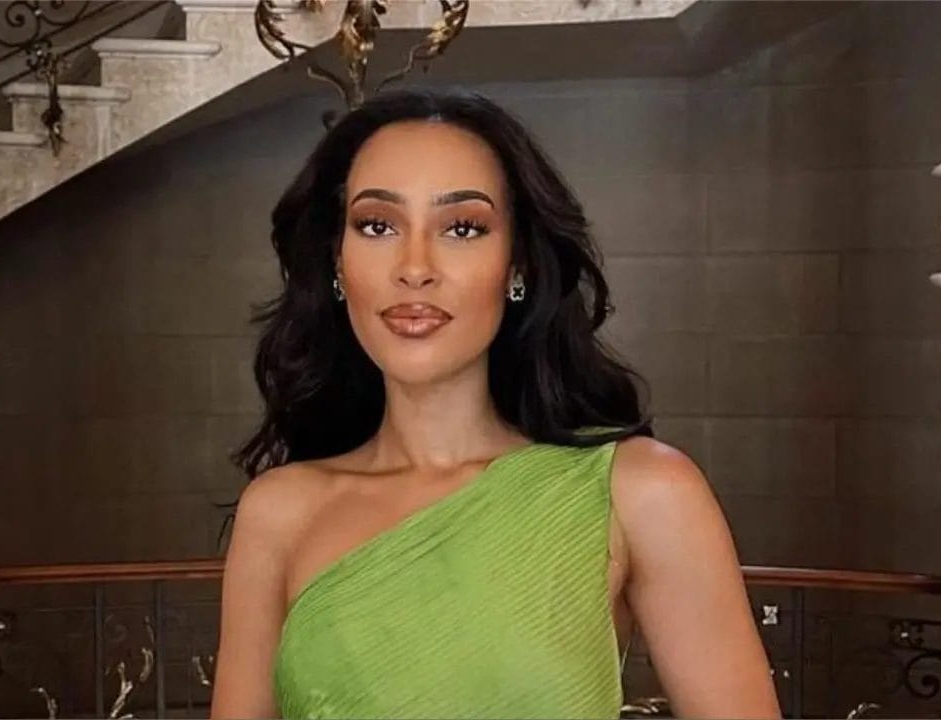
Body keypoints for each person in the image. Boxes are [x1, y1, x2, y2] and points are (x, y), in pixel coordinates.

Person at [210, 89, 780, 719]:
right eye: (377, 225)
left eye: (462, 228)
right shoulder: (279, 512)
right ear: (337, 264)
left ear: (518, 266)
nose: (415, 268)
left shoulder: (640, 491)